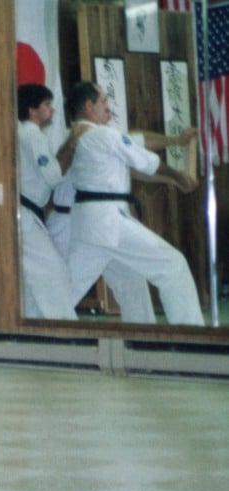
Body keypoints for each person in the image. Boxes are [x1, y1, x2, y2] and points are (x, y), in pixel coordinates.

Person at [64, 81, 203, 326]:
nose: (109, 108)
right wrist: (179, 177)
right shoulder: (100, 135)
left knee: (123, 285)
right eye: (104, 102)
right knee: (173, 266)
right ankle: (190, 336)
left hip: (88, 224)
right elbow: (147, 162)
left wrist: (176, 144)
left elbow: (136, 148)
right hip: (109, 222)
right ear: (88, 106)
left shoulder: (81, 139)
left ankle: (141, 343)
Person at [0, 83, 80, 322]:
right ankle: (62, 325)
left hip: (6, 213)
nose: (52, 110)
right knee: (52, 271)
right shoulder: (31, 133)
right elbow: (52, 176)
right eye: (47, 105)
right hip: (21, 216)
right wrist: (71, 144)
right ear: (32, 110)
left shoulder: (20, 133)